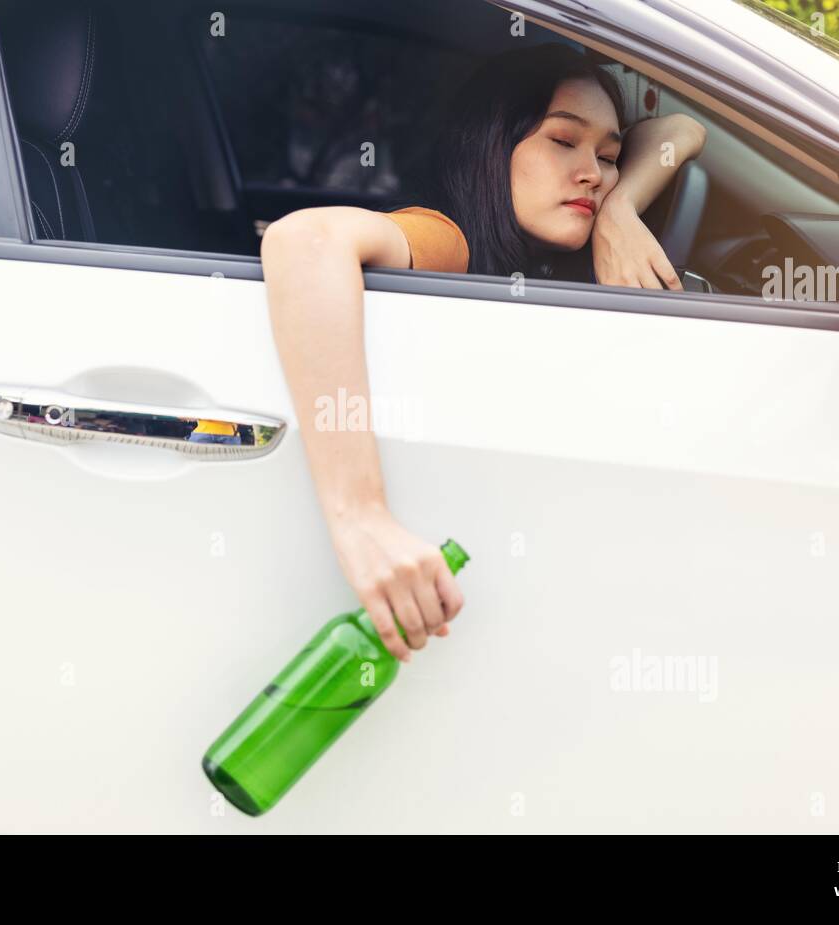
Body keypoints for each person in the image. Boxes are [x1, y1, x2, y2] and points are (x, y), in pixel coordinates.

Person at [260, 42, 706, 662]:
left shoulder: (571, 234)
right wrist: (360, 516)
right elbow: (304, 240)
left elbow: (680, 127)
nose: (592, 174)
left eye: (608, 156)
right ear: (493, 146)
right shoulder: (451, 239)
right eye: (561, 141)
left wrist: (620, 210)